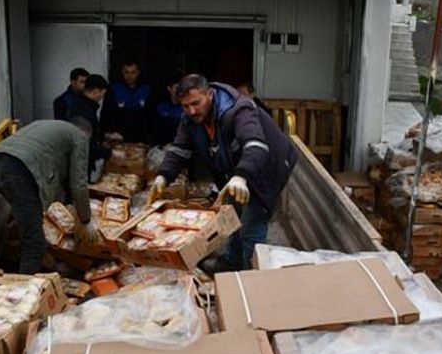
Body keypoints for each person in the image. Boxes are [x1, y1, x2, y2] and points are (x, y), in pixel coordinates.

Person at [148, 74, 298, 273]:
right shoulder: (190, 118)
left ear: (209, 94)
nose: (191, 111)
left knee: (251, 223)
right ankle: (231, 262)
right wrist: (163, 176)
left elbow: (255, 144)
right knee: (230, 213)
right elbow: (180, 149)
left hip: (267, 164)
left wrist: (241, 176)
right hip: (236, 167)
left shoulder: (238, 109)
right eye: (185, 106)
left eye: (195, 103)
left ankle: (250, 278)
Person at [0, 120, 99, 274]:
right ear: (86, 135)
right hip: (19, 171)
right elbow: (79, 184)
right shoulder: (79, 138)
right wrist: (86, 219)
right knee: (34, 243)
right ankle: (24, 292)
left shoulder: (48, 126)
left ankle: (43, 267)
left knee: (30, 226)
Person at [65, 74, 124, 174]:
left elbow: (88, 131)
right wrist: (111, 153)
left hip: (80, 161)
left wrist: (106, 136)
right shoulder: (83, 112)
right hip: (78, 164)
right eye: (102, 94)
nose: (101, 98)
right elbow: (84, 145)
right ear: (96, 91)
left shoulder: (83, 105)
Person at [102, 60, 152, 143]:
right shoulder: (114, 89)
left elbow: (150, 115)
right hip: (118, 137)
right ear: (122, 72)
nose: (130, 76)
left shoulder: (146, 89)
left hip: (141, 138)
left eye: (133, 72)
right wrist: (105, 133)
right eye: (126, 72)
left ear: (138, 72)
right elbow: (106, 113)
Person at [152, 74, 185, 146]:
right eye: (177, 88)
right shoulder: (161, 107)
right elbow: (156, 131)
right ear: (169, 88)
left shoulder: (188, 108)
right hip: (163, 148)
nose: (180, 91)